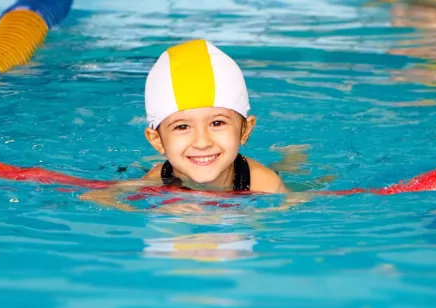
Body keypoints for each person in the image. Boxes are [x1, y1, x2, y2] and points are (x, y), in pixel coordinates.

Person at [82, 39, 299, 212]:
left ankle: (292, 158)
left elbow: (289, 209)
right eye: (182, 127)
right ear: (157, 140)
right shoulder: (159, 177)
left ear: (244, 130)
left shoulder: (264, 183)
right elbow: (96, 196)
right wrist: (156, 210)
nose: (202, 142)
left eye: (217, 122)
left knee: (291, 170)